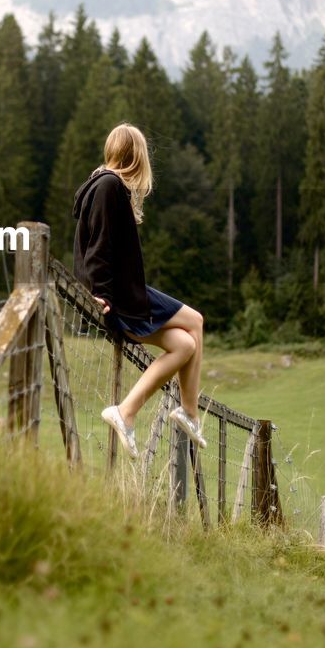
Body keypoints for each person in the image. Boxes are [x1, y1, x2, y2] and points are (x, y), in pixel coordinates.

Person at [72, 123, 207, 459]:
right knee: (196, 321)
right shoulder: (108, 186)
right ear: (137, 156)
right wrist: (100, 292)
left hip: (123, 290)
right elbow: (99, 245)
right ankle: (189, 413)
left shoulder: (101, 183)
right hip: (119, 295)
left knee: (185, 344)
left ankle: (127, 412)